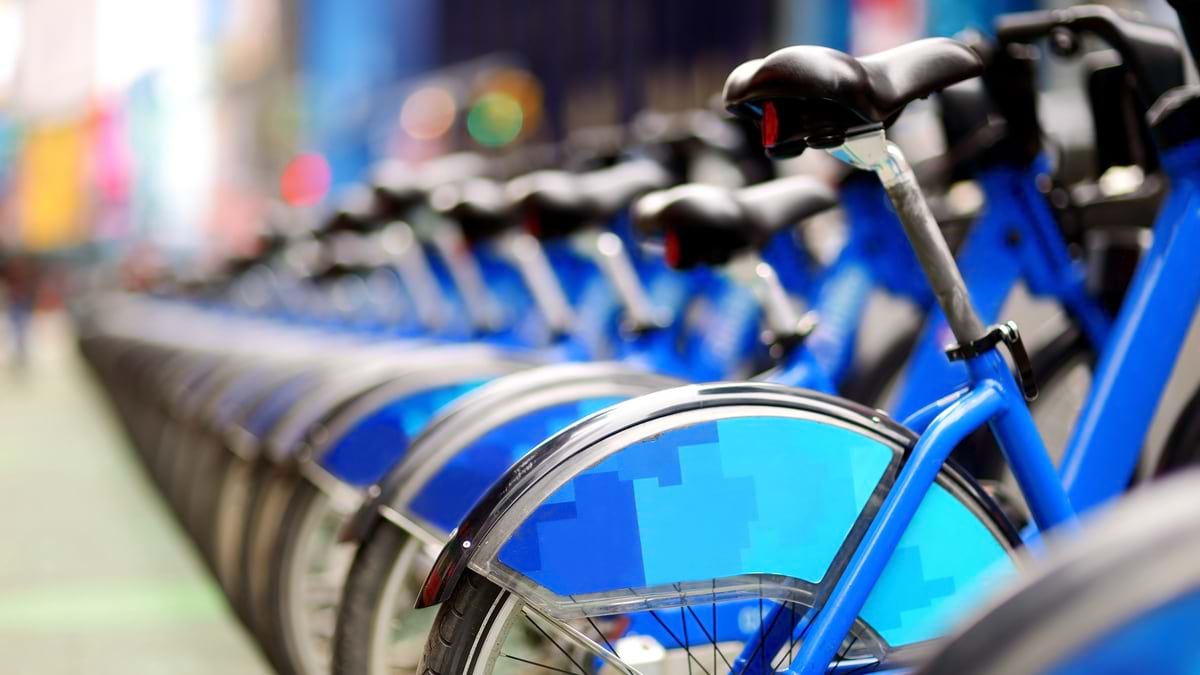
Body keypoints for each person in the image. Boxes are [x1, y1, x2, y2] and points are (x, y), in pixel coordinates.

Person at [0, 249, 39, 371]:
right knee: (16, 329)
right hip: (15, 303)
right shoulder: (12, 272)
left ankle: (20, 355)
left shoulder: (25, 272)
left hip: (22, 302)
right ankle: (18, 355)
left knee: (21, 329)